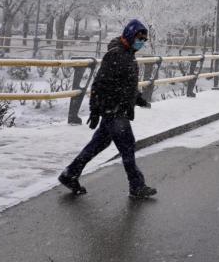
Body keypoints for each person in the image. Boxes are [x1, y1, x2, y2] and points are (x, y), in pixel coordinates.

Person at [58, 19, 157, 199]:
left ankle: (70, 174)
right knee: (127, 145)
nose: (141, 42)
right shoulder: (116, 55)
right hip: (113, 110)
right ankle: (137, 186)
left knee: (98, 144)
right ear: (129, 35)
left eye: (144, 39)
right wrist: (95, 111)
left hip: (116, 109)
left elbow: (126, 86)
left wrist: (139, 100)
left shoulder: (127, 54)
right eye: (139, 38)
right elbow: (99, 84)